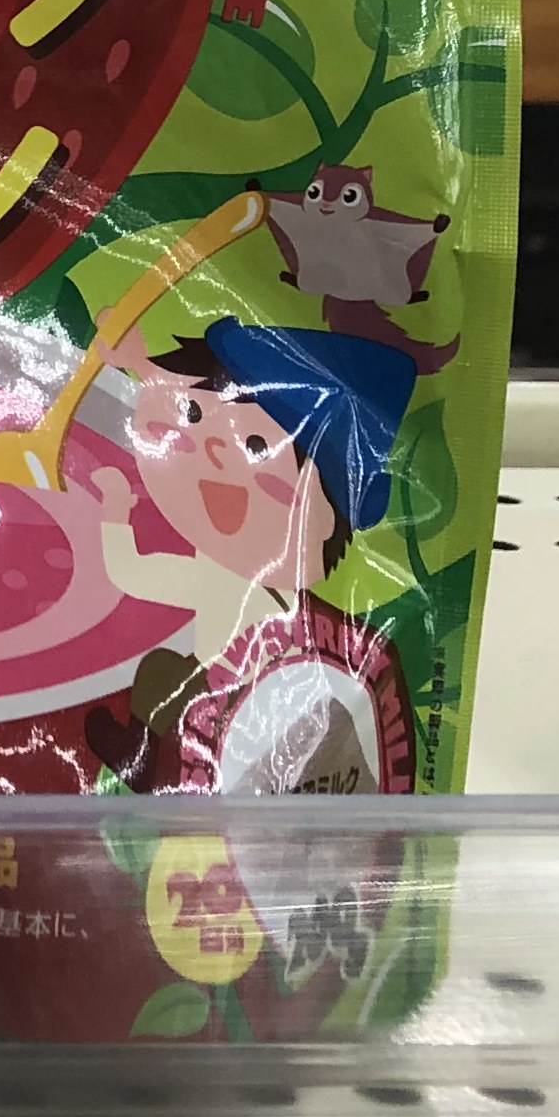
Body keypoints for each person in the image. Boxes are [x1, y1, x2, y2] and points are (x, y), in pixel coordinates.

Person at [83, 317, 415, 789]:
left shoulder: (307, 628)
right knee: (161, 674)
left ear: (326, 518)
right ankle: (141, 762)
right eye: (195, 417)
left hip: (260, 715)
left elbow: (134, 573)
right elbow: (133, 573)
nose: (219, 451)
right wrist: (140, 366)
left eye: (257, 445)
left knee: (186, 699)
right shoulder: (213, 575)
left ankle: (162, 771)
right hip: (212, 700)